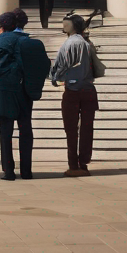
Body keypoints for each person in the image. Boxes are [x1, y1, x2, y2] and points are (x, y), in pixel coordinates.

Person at [0, 10, 50, 180]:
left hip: (5, 88)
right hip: (25, 89)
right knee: (26, 128)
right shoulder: (28, 41)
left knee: (6, 130)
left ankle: (8, 171)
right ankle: (27, 170)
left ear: (4, 25)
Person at [49, 13, 98, 176]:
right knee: (87, 127)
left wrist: (54, 78)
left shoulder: (68, 44)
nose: (63, 26)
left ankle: (73, 163)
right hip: (89, 89)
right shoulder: (87, 43)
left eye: (66, 24)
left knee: (71, 129)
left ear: (73, 26)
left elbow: (60, 67)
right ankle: (84, 162)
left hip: (72, 90)